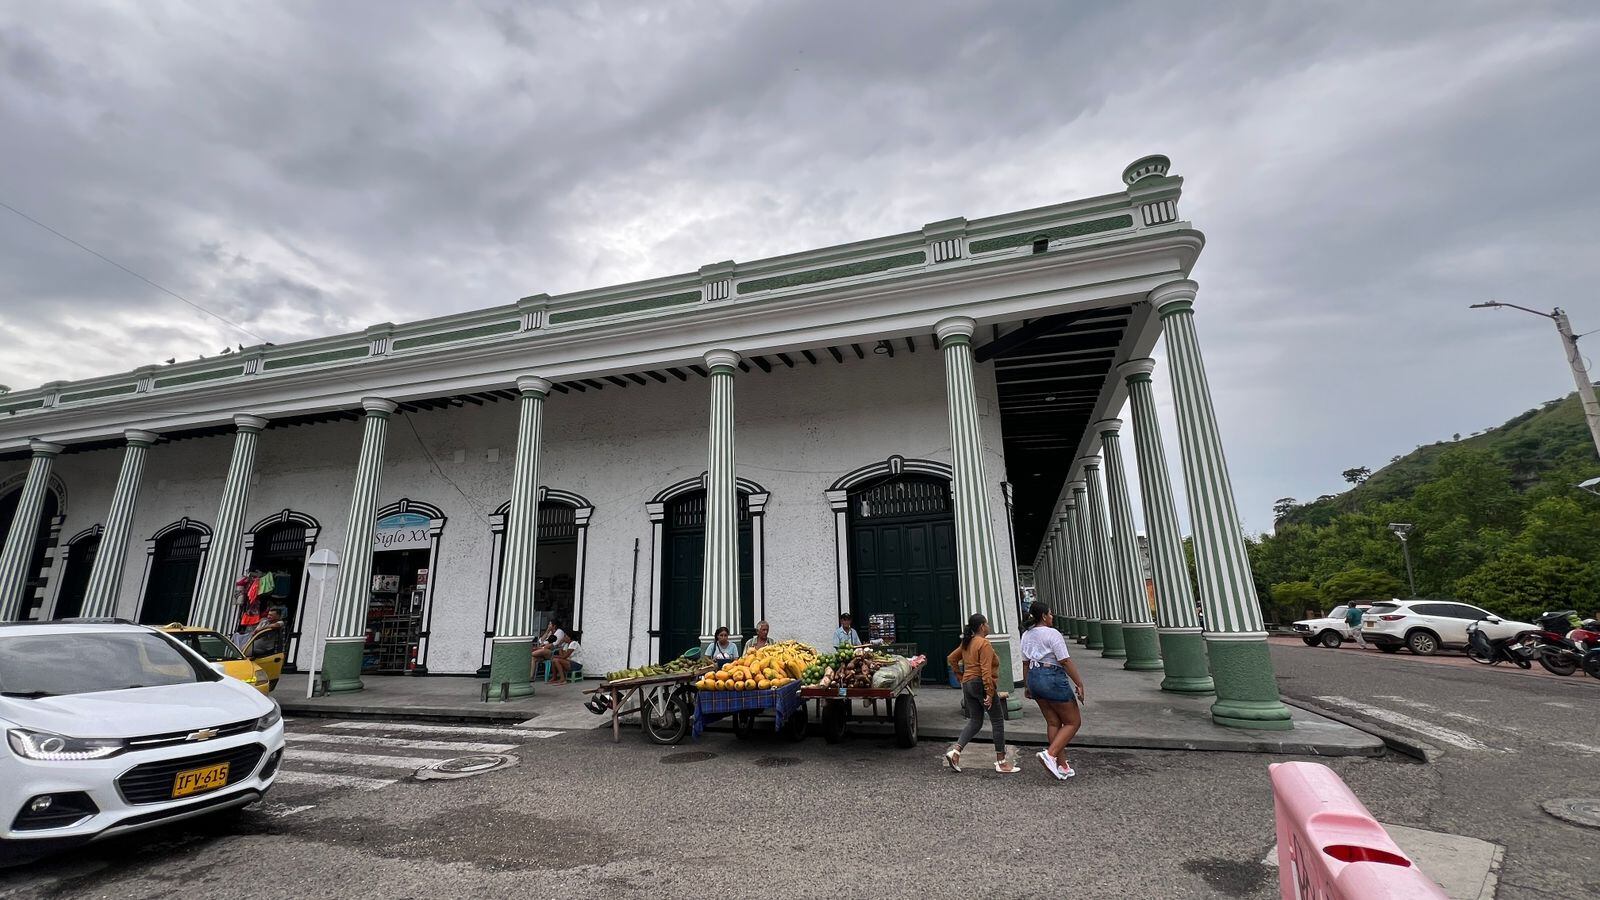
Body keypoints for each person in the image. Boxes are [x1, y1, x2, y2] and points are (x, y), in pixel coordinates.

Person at [943, 612, 1020, 774]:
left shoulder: (968, 642)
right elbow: (986, 671)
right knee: (997, 720)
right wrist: (989, 693)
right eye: (987, 623)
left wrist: (960, 676)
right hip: (981, 684)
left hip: (968, 685)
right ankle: (1001, 761)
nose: (989, 626)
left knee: (976, 721)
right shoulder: (983, 643)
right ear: (982, 627)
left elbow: (951, 658)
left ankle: (955, 752)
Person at [1020, 600, 1086, 780]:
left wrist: (1027, 685)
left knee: (1053, 722)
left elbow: (1025, 663)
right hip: (1052, 677)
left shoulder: (1026, 634)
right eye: (1050, 613)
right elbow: (1064, 660)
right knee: (1073, 722)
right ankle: (1050, 754)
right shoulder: (1052, 634)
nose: (1052, 616)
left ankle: (1062, 765)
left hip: (1034, 677)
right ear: (1043, 616)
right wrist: (1079, 683)